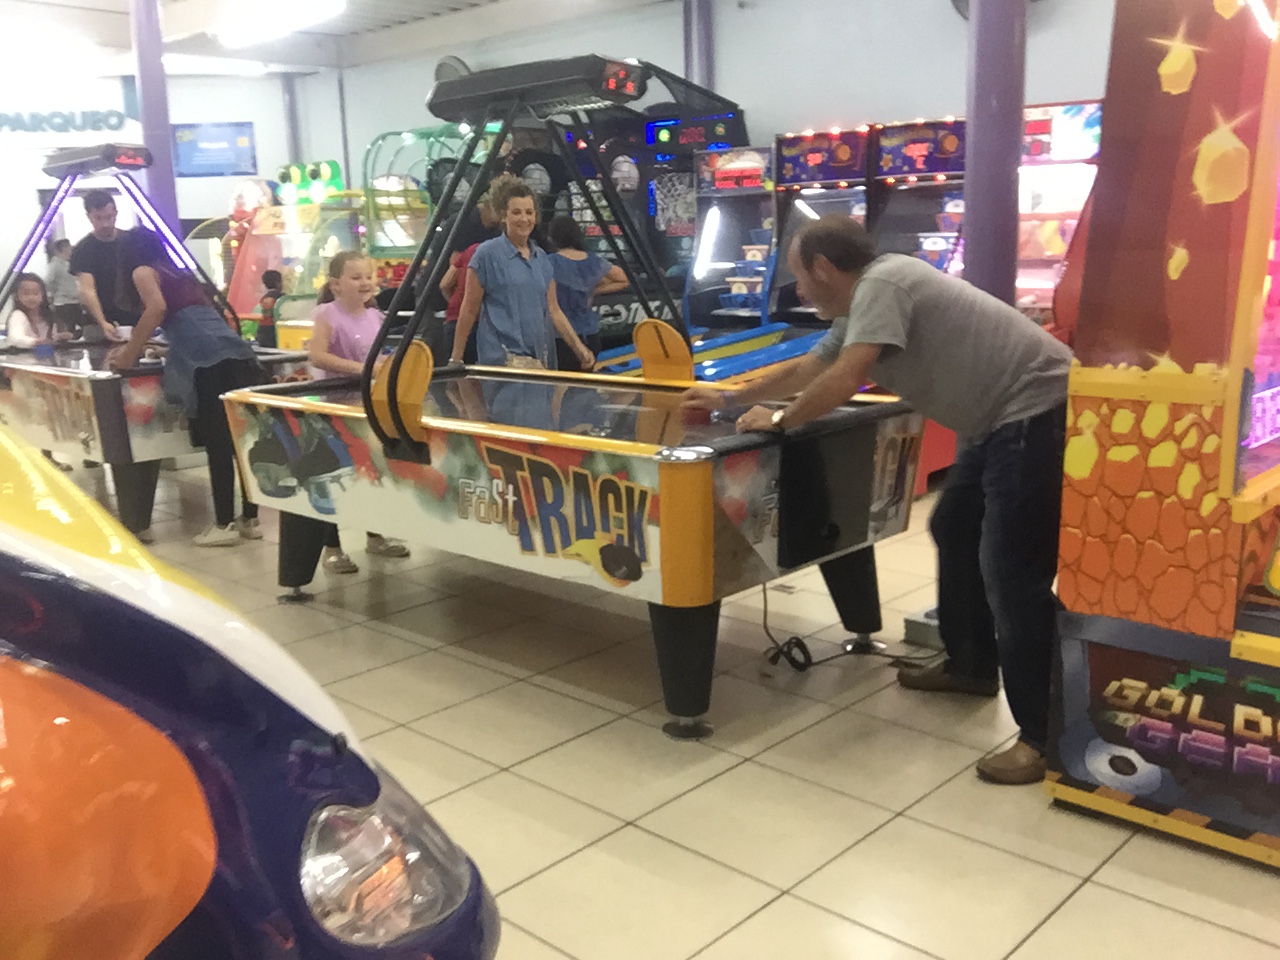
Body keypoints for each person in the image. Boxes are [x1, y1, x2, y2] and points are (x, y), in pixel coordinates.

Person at [682, 217, 1072, 785]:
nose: (799, 290)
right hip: (999, 422)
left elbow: (846, 377)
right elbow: (811, 366)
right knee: (954, 527)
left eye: (800, 277)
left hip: (1036, 413)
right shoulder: (862, 302)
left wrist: (783, 420)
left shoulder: (883, 284)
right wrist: (730, 399)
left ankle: (1045, 734)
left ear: (823, 268)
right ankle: (970, 666)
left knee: (1012, 574)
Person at [106, 229, 262, 547]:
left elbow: (157, 309)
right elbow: (197, 323)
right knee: (241, 440)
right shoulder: (178, 272)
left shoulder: (142, 271)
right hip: (237, 355)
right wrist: (162, 348)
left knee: (219, 443)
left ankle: (223, 524)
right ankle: (250, 519)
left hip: (208, 363)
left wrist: (128, 355)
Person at [308, 250, 411, 574]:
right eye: (356, 277)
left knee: (373, 472)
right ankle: (332, 548)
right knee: (335, 478)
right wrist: (364, 370)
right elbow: (317, 356)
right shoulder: (326, 314)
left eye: (368, 276)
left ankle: (375, 535)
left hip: (367, 409)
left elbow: (377, 358)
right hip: (335, 411)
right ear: (336, 284)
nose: (365, 282)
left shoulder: (375, 317)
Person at [450, 177, 595, 370]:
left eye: (529, 212)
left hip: (539, 362)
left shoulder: (542, 259)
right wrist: (456, 359)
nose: (524, 219)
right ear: (504, 216)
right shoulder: (485, 255)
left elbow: (554, 310)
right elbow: (469, 309)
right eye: (517, 212)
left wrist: (580, 349)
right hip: (502, 363)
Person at [546, 215, 628, 370]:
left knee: (561, 381)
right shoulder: (593, 260)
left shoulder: (549, 262)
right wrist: (595, 290)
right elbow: (623, 279)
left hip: (560, 336)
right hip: (590, 332)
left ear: (552, 238)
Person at [70, 190, 135, 344]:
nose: (105, 224)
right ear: (89, 217)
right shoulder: (83, 249)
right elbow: (87, 290)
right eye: (98, 218)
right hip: (98, 322)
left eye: (109, 217)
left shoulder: (132, 242)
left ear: (116, 213)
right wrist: (103, 322)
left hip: (134, 317)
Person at [5, 274, 71, 348]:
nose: (31, 298)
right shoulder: (17, 315)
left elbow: (50, 339)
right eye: (26, 294)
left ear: (43, 296)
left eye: (35, 293)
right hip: (27, 354)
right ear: (17, 296)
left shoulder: (49, 316)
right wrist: (35, 342)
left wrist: (60, 337)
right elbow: (15, 338)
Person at [45, 239, 83, 338]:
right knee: (68, 331)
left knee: (78, 331)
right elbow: (49, 282)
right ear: (64, 248)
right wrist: (50, 297)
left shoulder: (69, 263)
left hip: (75, 302)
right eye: (69, 247)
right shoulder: (55, 265)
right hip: (63, 303)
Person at [257, 269, 283, 348]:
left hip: (264, 335)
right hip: (278, 334)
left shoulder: (264, 299)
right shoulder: (283, 299)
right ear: (278, 283)